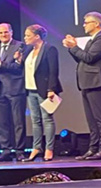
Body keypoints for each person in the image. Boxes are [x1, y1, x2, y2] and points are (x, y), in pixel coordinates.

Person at [62, 12, 101, 160]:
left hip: (96, 83)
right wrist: (72, 48)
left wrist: (74, 47)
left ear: (96, 24)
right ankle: (93, 148)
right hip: (87, 83)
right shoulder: (93, 40)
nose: (84, 25)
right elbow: (82, 60)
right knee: (92, 120)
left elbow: (89, 58)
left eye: (86, 22)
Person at [21, 24, 62, 162]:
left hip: (44, 89)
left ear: (37, 36)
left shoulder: (49, 49)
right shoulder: (28, 50)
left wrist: (51, 89)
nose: (25, 38)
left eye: (28, 35)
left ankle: (49, 148)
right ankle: (36, 147)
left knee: (47, 119)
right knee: (35, 121)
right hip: (30, 89)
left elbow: (53, 71)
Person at [0, 23, 27, 162]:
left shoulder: (20, 46)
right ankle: (6, 150)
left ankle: (20, 150)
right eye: (0, 33)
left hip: (15, 87)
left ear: (11, 32)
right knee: (2, 122)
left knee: (18, 122)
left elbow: (18, 67)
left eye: (6, 32)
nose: (3, 35)